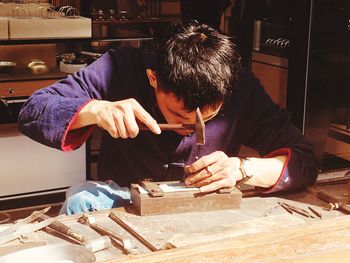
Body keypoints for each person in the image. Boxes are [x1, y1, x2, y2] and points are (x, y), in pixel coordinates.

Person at [18, 23, 318, 215]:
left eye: (209, 117)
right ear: (153, 79)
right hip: (124, 205)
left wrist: (243, 169)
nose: (191, 128)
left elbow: (304, 161)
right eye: (180, 116)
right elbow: (33, 111)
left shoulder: (241, 87)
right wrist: (96, 110)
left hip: (206, 209)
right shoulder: (120, 69)